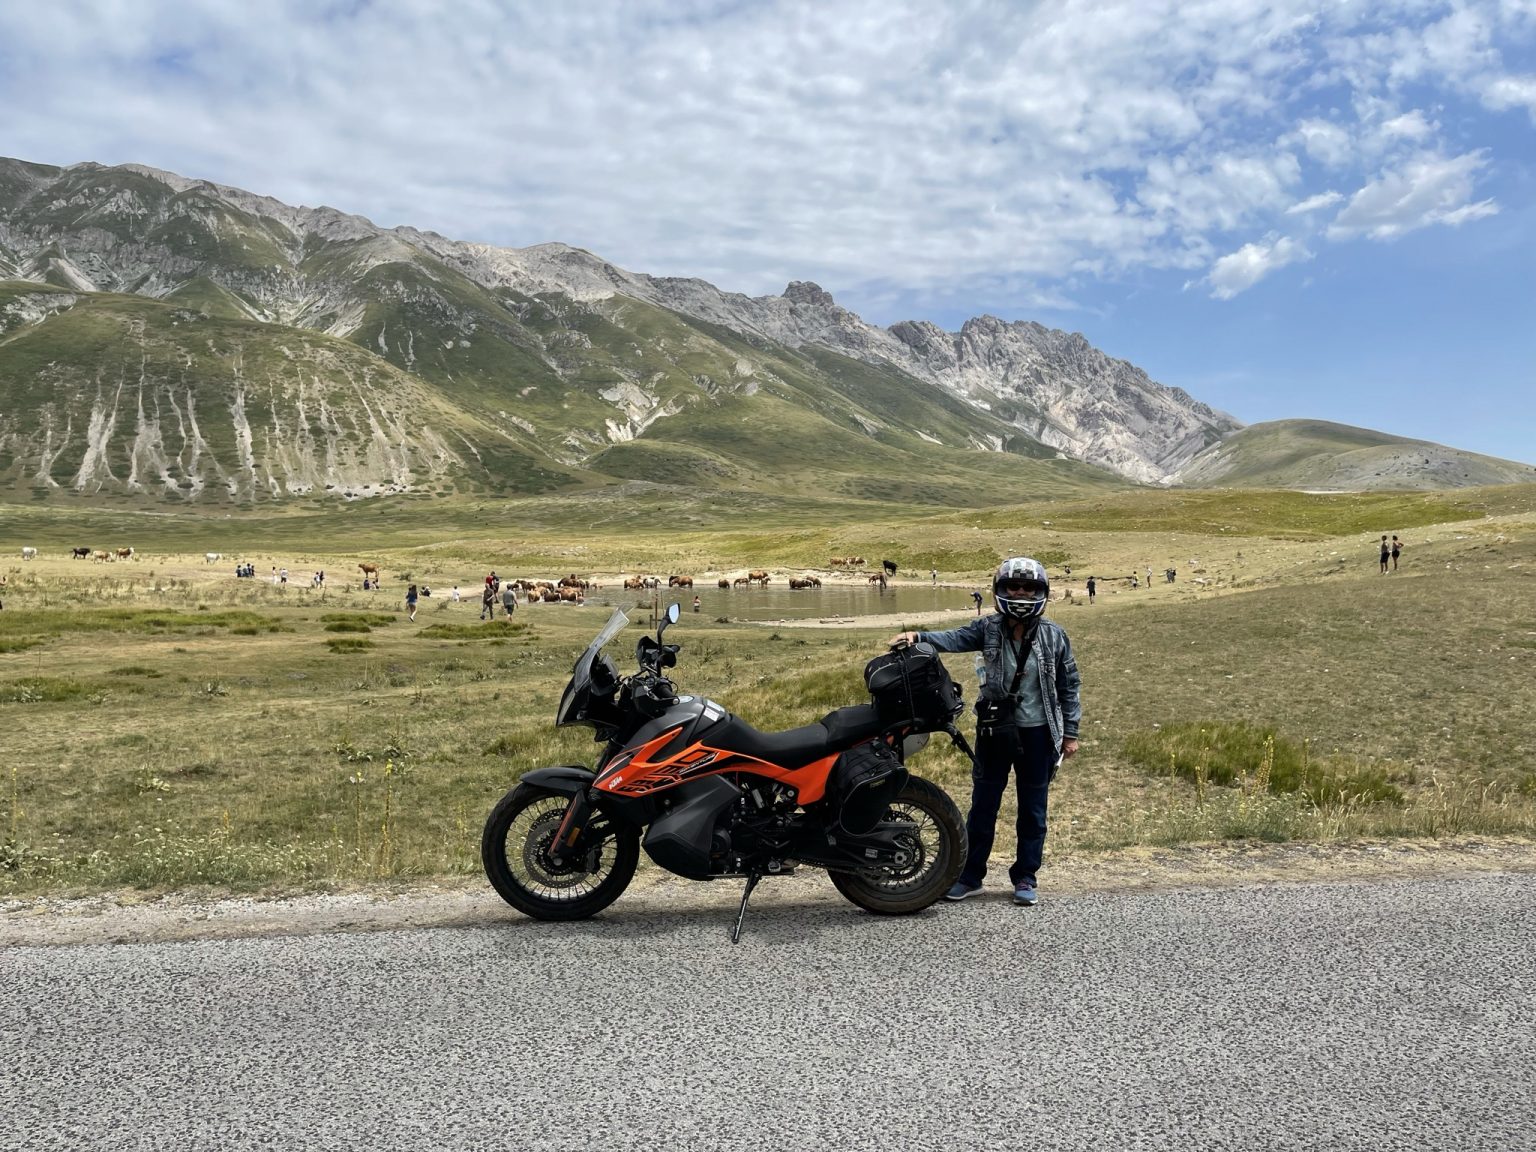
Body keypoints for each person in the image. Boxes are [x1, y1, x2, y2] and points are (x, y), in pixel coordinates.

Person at [890, 557, 1081, 907]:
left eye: (1029, 588)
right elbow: (955, 637)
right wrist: (919, 636)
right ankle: (970, 875)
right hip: (995, 730)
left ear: (1042, 593)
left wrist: (1071, 733)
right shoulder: (988, 628)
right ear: (1000, 590)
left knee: (1033, 809)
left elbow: (1069, 685)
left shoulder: (1055, 636)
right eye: (1013, 587)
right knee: (983, 806)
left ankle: (1025, 876)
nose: (1021, 593)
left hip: (1039, 733)